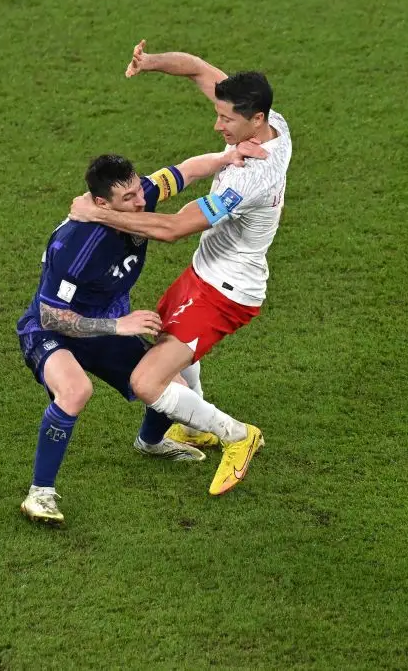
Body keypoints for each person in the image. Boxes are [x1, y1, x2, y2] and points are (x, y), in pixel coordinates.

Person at [68, 41, 293, 496]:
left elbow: (173, 228)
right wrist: (150, 63)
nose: (217, 124)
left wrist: (102, 214)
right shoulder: (273, 122)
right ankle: (193, 423)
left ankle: (238, 436)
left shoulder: (251, 178)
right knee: (166, 341)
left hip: (226, 292)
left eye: (226, 119)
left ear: (255, 119)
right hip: (205, 273)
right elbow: (195, 69)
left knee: (147, 381)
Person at [18, 143, 267, 525]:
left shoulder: (138, 197)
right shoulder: (76, 246)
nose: (140, 202)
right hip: (54, 331)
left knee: (171, 382)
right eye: (128, 198)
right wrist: (119, 325)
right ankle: (40, 494)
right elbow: (51, 315)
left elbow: (182, 171)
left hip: (106, 326)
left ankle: (150, 443)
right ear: (101, 204)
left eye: (138, 191)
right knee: (75, 390)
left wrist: (224, 159)